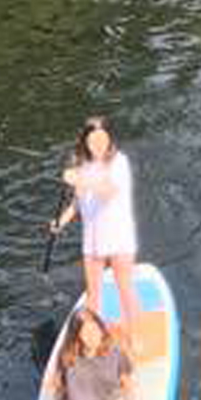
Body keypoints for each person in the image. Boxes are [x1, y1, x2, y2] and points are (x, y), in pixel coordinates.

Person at [49, 116, 140, 353]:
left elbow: (107, 191)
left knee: (125, 289)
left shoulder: (120, 162)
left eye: (102, 139)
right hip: (93, 240)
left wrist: (79, 179)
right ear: (85, 142)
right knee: (93, 294)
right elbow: (78, 204)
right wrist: (61, 222)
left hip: (119, 238)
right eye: (92, 140)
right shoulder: (82, 165)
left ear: (110, 139)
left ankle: (135, 338)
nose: (98, 145)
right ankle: (92, 342)